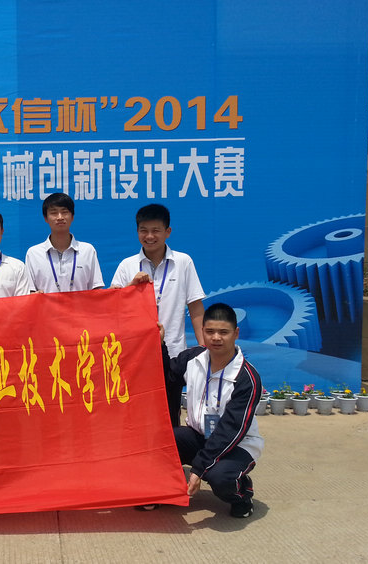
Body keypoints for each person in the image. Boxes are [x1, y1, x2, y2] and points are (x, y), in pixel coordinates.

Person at [166, 303, 264, 518]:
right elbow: (165, 376)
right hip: (198, 435)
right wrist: (158, 342)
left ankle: (242, 492)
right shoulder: (192, 358)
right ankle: (166, 491)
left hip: (236, 444)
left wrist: (198, 469)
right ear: (202, 331)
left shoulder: (247, 378)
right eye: (210, 331)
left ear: (236, 333)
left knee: (220, 477)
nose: (216, 338)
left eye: (223, 332)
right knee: (161, 442)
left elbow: (230, 431)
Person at [111, 203, 204, 355]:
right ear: (137, 231)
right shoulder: (126, 265)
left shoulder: (183, 262)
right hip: (136, 351)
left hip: (174, 351)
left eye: (155, 231)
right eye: (144, 230)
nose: (149, 236)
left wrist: (204, 347)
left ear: (168, 232)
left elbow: (195, 307)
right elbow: (114, 308)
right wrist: (130, 288)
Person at [24, 193, 104, 293]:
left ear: (72, 216)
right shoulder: (33, 253)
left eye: (64, 212)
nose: (60, 217)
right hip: (46, 304)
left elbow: (96, 290)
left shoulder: (87, 250)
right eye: (54, 213)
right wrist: (35, 295)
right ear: (46, 218)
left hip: (81, 304)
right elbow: (30, 292)